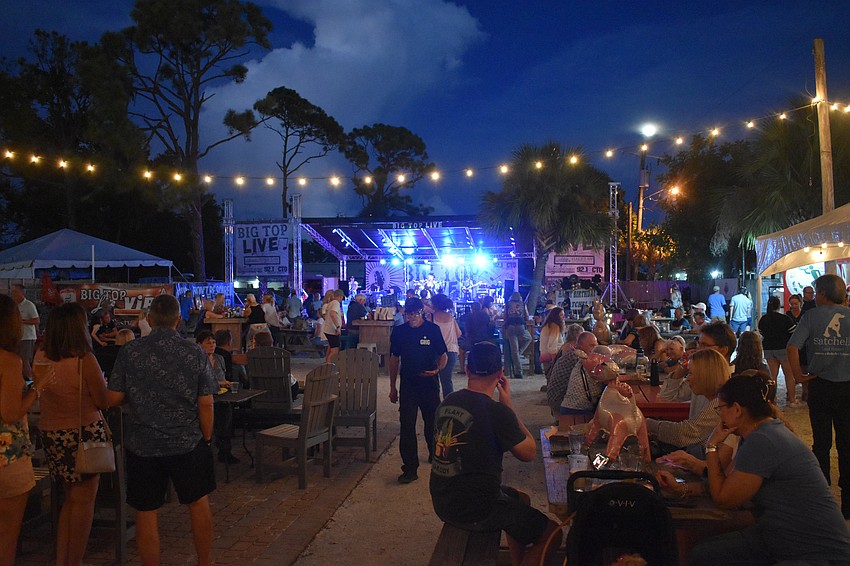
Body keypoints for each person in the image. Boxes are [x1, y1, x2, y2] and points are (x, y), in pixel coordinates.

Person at [671, 372, 850, 565]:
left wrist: (712, 446)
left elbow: (724, 498)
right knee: (705, 553)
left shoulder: (763, 441)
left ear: (737, 409)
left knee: (704, 552)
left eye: (720, 408)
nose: (719, 415)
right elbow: (729, 483)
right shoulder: (760, 433)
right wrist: (681, 489)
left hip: (813, 551)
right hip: (781, 536)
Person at [107, 294, 218, 565]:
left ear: (149, 319)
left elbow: (113, 398)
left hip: (142, 443)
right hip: (187, 441)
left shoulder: (130, 352)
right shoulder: (195, 352)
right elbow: (206, 402)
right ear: (178, 320)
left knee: (146, 511)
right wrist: (206, 436)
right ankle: (205, 562)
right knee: (198, 503)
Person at [430, 342, 562, 566]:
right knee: (553, 534)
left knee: (521, 499)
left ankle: (517, 561)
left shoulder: (448, 401)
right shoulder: (497, 412)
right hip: (477, 507)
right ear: (500, 374)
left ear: (468, 370)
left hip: (443, 499)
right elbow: (528, 452)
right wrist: (509, 407)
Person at [35, 302, 111, 565]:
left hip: (51, 433)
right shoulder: (84, 360)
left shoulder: (40, 357)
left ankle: (62, 559)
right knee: (84, 502)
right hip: (83, 433)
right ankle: (75, 560)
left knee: (69, 499)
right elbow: (102, 400)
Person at [787, 273, 850, 518]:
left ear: (822, 294)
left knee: (821, 443)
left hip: (820, 385)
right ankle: (847, 504)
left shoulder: (811, 316)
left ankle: (823, 498)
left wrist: (798, 377)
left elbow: (792, 346)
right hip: (847, 387)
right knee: (847, 444)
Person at [0, 294, 52, 565]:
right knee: (7, 536)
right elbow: (9, 412)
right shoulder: (9, 361)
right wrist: (37, 388)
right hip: (7, 458)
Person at [388, 297, 448, 484]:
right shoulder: (399, 332)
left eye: (414, 314)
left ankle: (434, 454)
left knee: (432, 422)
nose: (411, 318)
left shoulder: (433, 330)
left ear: (421, 313)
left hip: (429, 383)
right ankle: (410, 468)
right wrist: (392, 387)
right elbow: (394, 359)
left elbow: (443, 355)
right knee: (407, 425)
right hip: (408, 384)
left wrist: (438, 369)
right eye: (408, 314)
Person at [646, 348, 731, 457]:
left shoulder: (719, 405)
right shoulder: (711, 395)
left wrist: (645, 423)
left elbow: (683, 434)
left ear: (705, 375)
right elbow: (666, 396)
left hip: (708, 466)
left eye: (690, 373)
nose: (687, 379)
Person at [547, 330, 597, 420]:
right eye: (591, 346)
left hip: (554, 397)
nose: (594, 349)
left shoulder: (573, 352)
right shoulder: (576, 357)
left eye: (596, 345)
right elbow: (593, 374)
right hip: (558, 400)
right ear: (581, 344)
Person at [757, 295, 797, 406]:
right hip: (784, 348)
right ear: (779, 306)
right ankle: (792, 400)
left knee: (772, 377)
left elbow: (761, 332)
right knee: (789, 375)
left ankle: (772, 400)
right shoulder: (784, 319)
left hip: (769, 349)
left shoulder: (763, 319)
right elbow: (793, 333)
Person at [432, 294, 462, 400]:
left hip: (436, 351)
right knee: (447, 380)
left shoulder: (431, 317)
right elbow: (459, 333)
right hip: (451, 350)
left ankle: (434, 403)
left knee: (433, 380)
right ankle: (448, 404)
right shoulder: (450, 317)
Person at [503, 292, 532, 379]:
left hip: (510, 327)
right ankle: (518, 354)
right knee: (529, 338)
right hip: (521, 326)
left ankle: (519, 372)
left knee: (514, 349)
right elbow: (527, 317)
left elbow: (505, 317)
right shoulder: (522, 304)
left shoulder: (507, 304)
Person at [10, 284, 38, 370]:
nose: (13, 294)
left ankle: (30, 381)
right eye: (13, 292)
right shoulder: (12, 305)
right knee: (16, 361)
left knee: (25, 361)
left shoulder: (29, 305)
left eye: (15, 291)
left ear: (22, 293)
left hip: (27, 338)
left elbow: (36, 320)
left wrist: (22, 321)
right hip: (15, 337)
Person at [538, 307, 566, 375]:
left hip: (545, 355)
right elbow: (552, 346)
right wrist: (554, 363)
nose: (564, 317)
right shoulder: (554, 326)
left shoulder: (549, 325)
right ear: (556, 316)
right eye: (561, 315)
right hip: (551, 358)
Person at [321, 290, 342, 363]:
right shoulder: (335, 303)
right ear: (340, 296)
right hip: (332, 330)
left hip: (328, 329)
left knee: (331, 348)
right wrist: (338, 326)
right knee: (334, 350)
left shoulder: (329, 304)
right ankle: (328, 366)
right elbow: (332, 314)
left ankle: (327, 364)